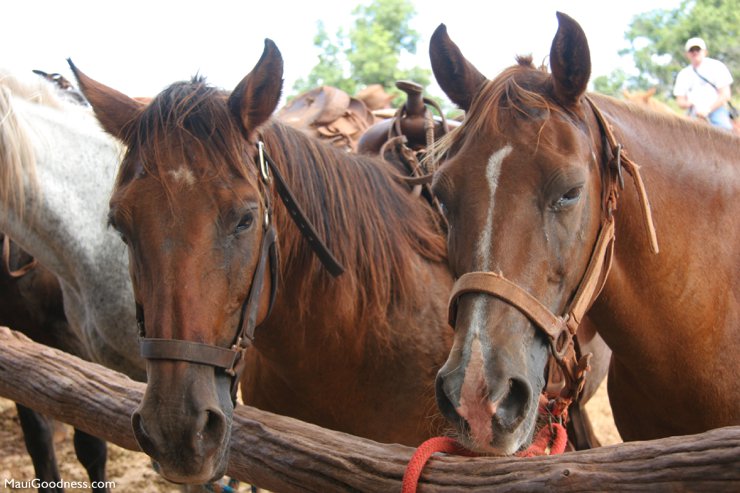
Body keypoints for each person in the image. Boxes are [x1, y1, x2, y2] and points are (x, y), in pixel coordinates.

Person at [673, 37, 734, 131]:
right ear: (687, 54)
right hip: (693, 113)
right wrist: (689, 104)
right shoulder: (683, 74)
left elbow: (725, 95)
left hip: (716, 111)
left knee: (725, 130)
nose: (695, 52)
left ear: (705, 51)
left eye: (698, 49)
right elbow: (680, 101)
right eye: (691, 50)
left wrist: (707, 110)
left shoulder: (717, 67)